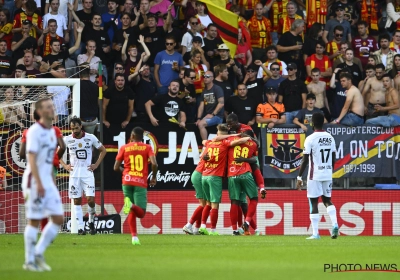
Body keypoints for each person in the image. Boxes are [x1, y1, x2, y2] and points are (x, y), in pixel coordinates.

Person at [21, 98, 64, 271]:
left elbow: (48, 160)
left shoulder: (53, 131)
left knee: (58, 218)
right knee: (34, 221)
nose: (52, 109)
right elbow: (31, 158)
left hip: (47, 179)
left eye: (52, 106)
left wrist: (50, 180)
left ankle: (38, 252)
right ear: (39, 112)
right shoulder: (34, 131)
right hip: (34, 180)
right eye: (48, 107)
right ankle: (29, 260)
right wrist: (39, 182)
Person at [199, 124, 251, 235]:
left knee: (207, 203)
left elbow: (204, 142)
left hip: (204, 176)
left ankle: (202, 226)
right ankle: (213, 230)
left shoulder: (210, 142)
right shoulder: (225, 143)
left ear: (217, 132)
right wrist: (245, 137)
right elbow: (238, 142)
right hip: (215, 176)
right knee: (215, 205)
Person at [296, 112, 339, 240]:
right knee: (327, 200)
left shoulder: (310, 138)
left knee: (313, 202)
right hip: (327, 173)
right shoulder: (330, 137)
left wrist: (299, 177)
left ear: (312, 123)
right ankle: (335, 224)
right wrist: (329, 170)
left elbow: (305, 159)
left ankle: (315, 233)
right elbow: (333, 157)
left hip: (314, 175)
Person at [61, 117, 107, 235]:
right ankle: (81, 228)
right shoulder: (66, 139)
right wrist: (65, 165)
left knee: (90, 200)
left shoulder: (90, 138)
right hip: (74, 174)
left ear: (81, 126)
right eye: (72, 128)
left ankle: (91, 221)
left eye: (76, 128)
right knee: (76, 200)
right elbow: (56, 154)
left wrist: (96, 164)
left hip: (87, 173)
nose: (74, 130)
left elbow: (103, 150)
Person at [114, 126, 158, 245]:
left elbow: (115, 167)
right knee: (142, 213)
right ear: (141, 137)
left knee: (132, 210)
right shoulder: (147, 147)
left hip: (126, 181)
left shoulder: (124, 147)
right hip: (140, 182)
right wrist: (153, 177)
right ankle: (131, 205)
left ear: (132, 136)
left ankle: (134, 237)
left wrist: (126, 172)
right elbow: (154, 164)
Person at [182, 148, 207, 235]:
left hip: (199, 175)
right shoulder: (214, 146)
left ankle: (196, 228)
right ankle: (188, 225)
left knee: (204, 205)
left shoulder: (210, 144)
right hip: (200, 175)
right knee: (204, 205)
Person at [196, 71, 224, 140]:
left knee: (201, 124)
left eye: (208, 76)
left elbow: (221, 103)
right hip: (209, 115)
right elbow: (201, 106)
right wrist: (198, 118)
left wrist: (213, 114)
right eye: (204, 76)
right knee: (199, 123)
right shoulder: (204, 91)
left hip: (217, 116)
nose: (205, 78)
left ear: (212, 78)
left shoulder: (217, 88)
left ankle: (205, 144)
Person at [129, 57, 157, 122]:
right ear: (141, 72)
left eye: (147, 69)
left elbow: (155, 95)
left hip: (152, 112)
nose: (146, 71)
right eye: (144, 69)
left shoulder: (153, 82)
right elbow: (135, 73)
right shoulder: (139, 81)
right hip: (141, 112)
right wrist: (141, 59)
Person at [79, 63, 99, 134]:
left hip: (80, 121)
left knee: (66, 120)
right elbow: (99, 102)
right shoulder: (96, 87)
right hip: (93, 120)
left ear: (80, 76)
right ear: (89, 75)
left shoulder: (76, 86)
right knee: (90, 140)